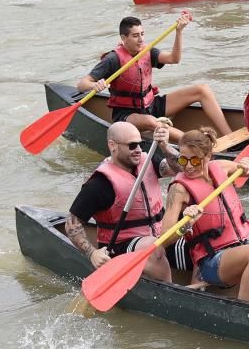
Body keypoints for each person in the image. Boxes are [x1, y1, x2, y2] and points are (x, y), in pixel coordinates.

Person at [163, 127, 249, 303]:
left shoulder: (221, 167)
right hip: (211, 262)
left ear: (208, 156)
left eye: (194, 160)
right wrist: (187, 224)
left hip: (241, 246)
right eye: (183, 159)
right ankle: (245, 312)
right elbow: (163, 238)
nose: (188, 166)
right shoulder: (179, 189)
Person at [76, 13, 232, 143]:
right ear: (124, 38)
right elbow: (82, 84)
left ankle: (230, 137)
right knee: (152, 122)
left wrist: (179, 33)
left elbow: (174, 59)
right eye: (135, 36)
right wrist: (95, 85)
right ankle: (195, 144)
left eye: (142, 34)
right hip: (127, 114)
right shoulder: (112, 59)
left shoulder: (147, 51)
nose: (141, 39)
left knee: (202, 90)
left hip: (151, 105)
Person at [65, 120, 186, 281]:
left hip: (159, 236)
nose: (138, 150)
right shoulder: (100, 184)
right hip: (120, 247)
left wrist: (164, 146)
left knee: (199, 238)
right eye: (132, 145)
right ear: (113, 146)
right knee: (153, 248)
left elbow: (183, 168)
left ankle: (199, 285)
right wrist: (92, 253)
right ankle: (171, 294)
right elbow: (72, 222)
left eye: (140, 144)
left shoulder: (148, 160)